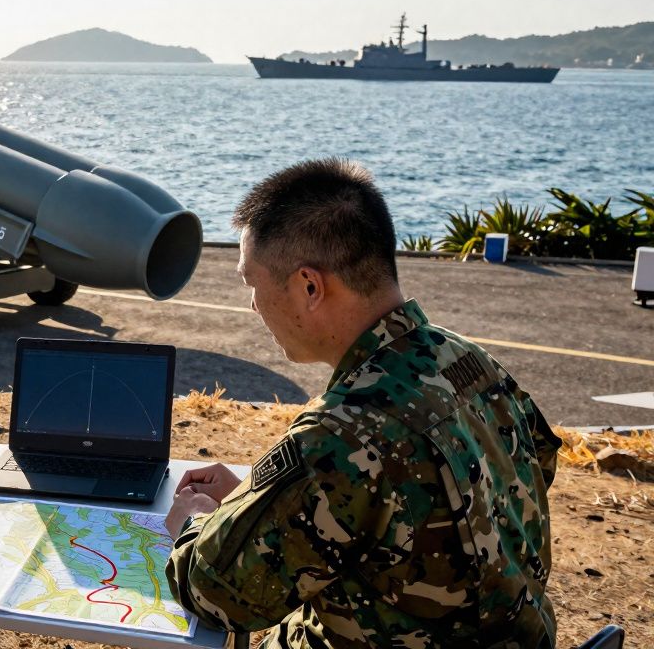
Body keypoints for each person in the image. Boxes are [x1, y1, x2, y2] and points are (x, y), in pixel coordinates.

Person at [165, 159, 561, 648]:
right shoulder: (469, 361)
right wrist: (253, 502)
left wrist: (193, 521)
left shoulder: (342, 433)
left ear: (310, 286)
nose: (252, 305)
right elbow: (539, 464)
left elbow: (216, 593)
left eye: (253, 284)